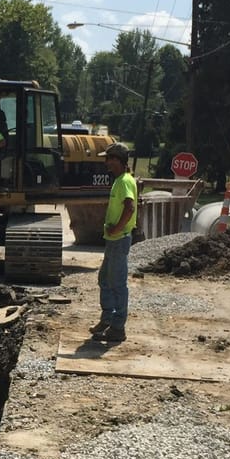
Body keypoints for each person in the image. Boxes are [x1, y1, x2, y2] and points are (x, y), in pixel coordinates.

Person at [91, 142, 137, 343]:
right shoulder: (120, 180)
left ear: (118, 160)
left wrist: (117, 228)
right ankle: (107, 320)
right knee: (104, 280)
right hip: (113, 240)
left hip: (119, 239)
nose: (106, 163)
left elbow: (130, 208)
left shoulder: (124, 181)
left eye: (109, 159)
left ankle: (118, 328)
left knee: (117, 283)